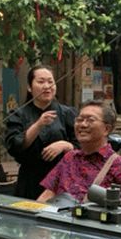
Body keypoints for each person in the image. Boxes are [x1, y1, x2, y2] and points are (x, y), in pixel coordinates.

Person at [38, 100, 121, 219]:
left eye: (90, 120)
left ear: (106, 129)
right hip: (59, 225)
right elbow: (48, 194)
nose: (83, 125)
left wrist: (111, 220)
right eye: (79, 120)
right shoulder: (69, 158)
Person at [4, 65, 78, 199]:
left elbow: (81, 146)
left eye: (50, 82)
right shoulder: (18, 114)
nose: (47, 86)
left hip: (62, 180)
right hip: (30, 180)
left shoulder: (67, 113)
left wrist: (65, 145)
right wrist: (38, 125)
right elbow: (14, 146)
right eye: (41, 81)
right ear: (29, 87)